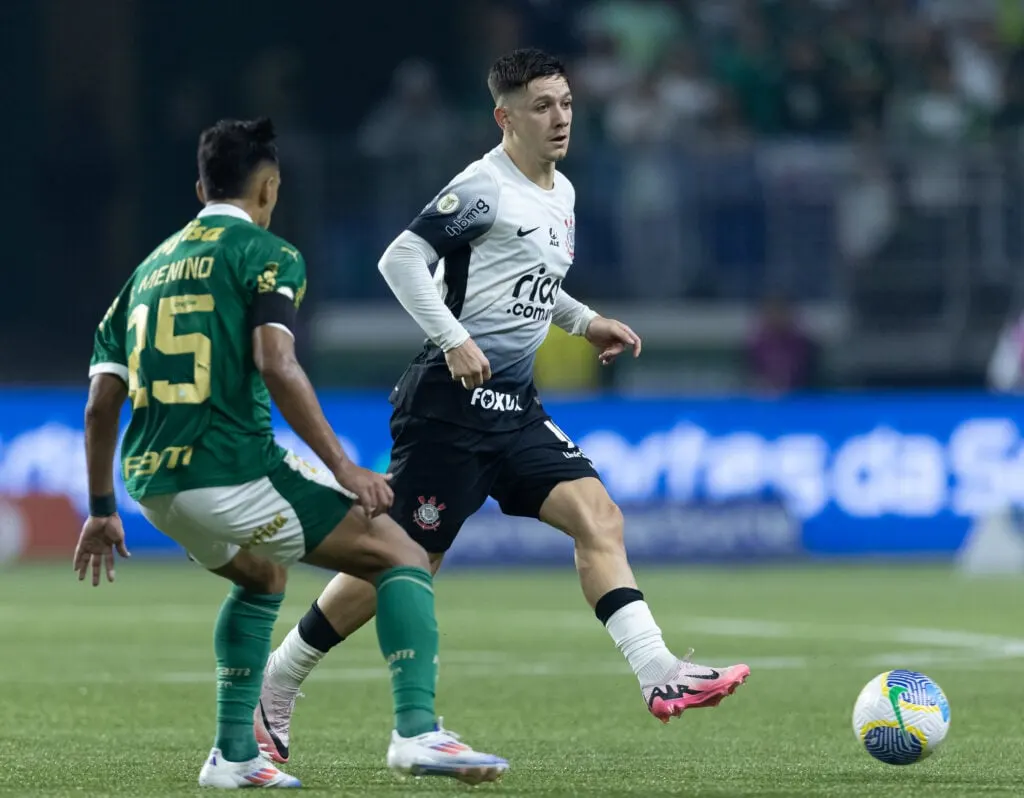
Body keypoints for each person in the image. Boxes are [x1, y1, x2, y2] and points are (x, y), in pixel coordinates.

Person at [256, 48, 751, 764]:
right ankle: (278, 681)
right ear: (505, 115)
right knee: (405, 563)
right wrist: (453, 337)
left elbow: (532, 282)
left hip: (514, 405)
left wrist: (587, 323)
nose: (560, 119)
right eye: (542, 106)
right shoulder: (482, 188)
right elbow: (399, 258)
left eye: (567, 104)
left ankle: (659, 672)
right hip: (448, 408)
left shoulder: (563, 193)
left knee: (599, 515)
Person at [74, 117, 507, 789]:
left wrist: (102, 509)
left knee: (262, 576)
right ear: (271, 186)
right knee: (401, 553)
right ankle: (418, 733)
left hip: (150, 484)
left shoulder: (144, 273)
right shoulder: (267, 254)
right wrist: (343, 467)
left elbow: (101, 404)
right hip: (233, 467)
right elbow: (276, 363)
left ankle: (233, 756)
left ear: (200, 187)